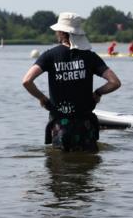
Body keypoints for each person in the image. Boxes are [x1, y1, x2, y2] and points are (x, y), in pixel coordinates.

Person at [23, 13, 121, 152]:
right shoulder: (90, 57)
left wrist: (43, 99)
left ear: (62, 33)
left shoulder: (50, 56)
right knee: (87, 169)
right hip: (85, 126)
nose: (56, 33)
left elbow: (27, 81)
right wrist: (98, 92)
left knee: (59, 167)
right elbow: (115, 82)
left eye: (57, 30)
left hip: (60, 126)